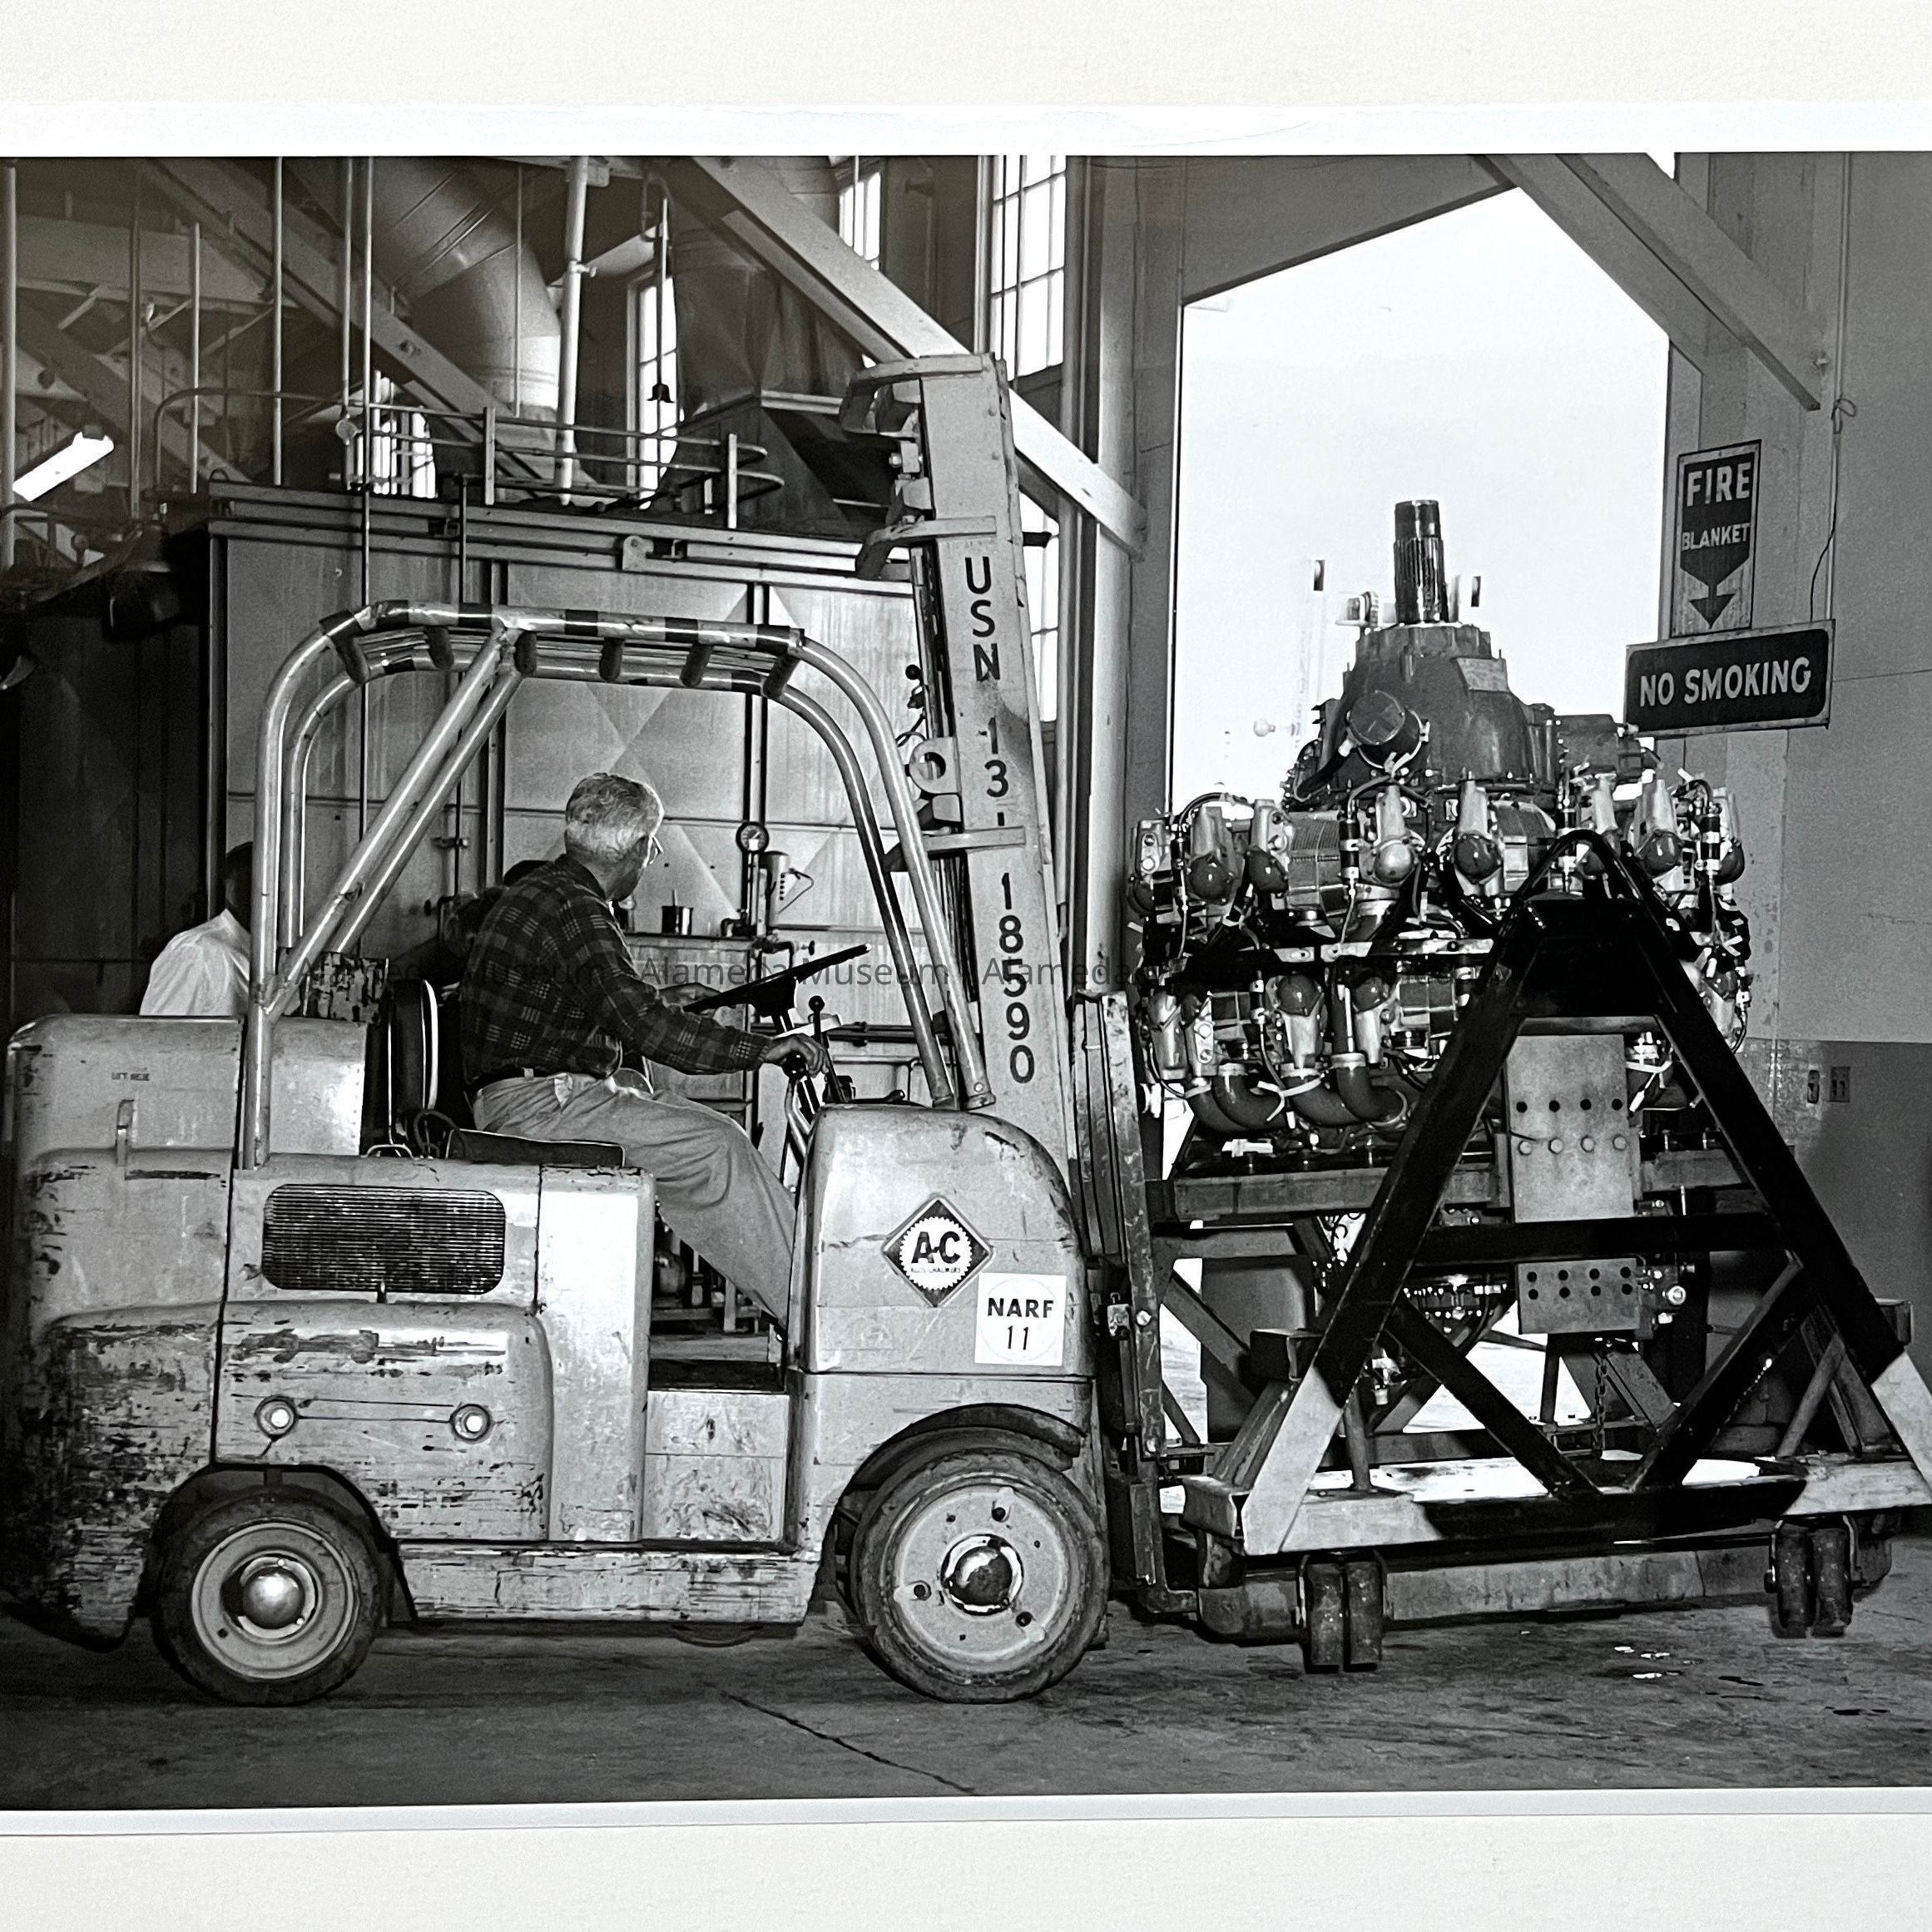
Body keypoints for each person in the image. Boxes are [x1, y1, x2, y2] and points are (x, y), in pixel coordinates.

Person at [459, 773, 828, 1322]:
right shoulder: (578, 909)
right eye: (651, 848)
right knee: (719, 1146)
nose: (648, 859)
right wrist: (762, 1049)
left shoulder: (546, 893)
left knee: (653, 1098)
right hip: (539, 1108)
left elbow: (589, 1003)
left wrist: (667, 1001)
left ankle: (801, 1300)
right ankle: (817, 1318)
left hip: (527, 1096)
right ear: (637, 847)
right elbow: (644, 1027)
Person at [141, 843, 254, 1018]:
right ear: (232, 891)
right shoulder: (197, 952)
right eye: (269, 890)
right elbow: (158, 1033)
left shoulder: (270, 957)